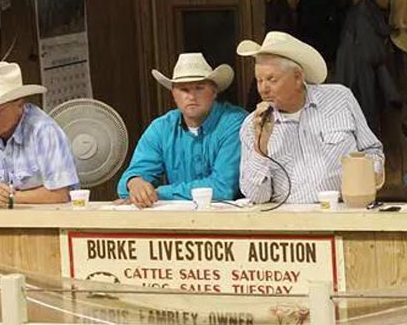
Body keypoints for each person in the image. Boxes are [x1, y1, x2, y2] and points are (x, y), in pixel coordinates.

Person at [238, 31, 383, 204]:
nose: (263, 89)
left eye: (271, 80)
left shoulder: (340, 98)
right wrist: (260, 146)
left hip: (345, 211)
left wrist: (370, 175)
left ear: (298, 77)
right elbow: (257, 198)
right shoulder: (252, 125)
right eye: (259, 80)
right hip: (289, 217)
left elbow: (372, 150)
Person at [118, 53, 247, 208]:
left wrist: (159, 193)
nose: (191, 96)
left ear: (214, 92)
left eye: (199, 88)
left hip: (230, 217)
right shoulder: (161, 128)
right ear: (173, 94)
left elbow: (222, 187)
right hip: (177, 218)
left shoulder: (235, 122)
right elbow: (125, 186)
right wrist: (134, 183)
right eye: (184, 89)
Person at [0, 61, 78, 208]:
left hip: (44, 218)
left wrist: (10, 198)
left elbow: (60, 193)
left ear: (19, 105)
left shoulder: (44, 131)